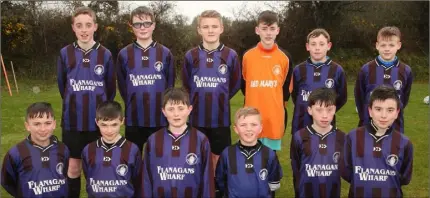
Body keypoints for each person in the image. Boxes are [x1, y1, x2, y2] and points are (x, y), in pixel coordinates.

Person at [57, 6, 116, 197]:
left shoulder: (105, 54)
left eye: (88, 25)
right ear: (73, 28)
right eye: (79, 25)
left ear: (95, 27)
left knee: (97, 167)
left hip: (98, 123)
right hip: (73, 121)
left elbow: (110, 89)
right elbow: (62, 85)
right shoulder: (65, 53)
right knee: (73, 167)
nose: (84, 29)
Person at [181, 10, 241, 177]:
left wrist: (220, 97)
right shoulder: (190, 56)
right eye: (205, 26)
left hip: (220, 118)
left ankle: (217, 190)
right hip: (196, 117)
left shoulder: (231, 55)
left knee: (219, 160)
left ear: (221, 28)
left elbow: (235, 84)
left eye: (214, 26)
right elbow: (187, 84)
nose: (210, 30)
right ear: (199, 29)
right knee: (195, 158)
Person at [116, 6, 175, 153]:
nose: (142, 28)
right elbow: (123, 87)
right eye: (137, 24)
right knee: (132, 161)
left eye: (147, 23)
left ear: (154, 25)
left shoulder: (165, 53)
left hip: (159, 118)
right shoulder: (124, 54)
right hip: (134, 118)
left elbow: (170, 86)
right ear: (131, 26)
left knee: (159, 160)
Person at [140, 87, 215, 197]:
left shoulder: (201, 140)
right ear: (163, 111)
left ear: (189, 109)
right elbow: (146, 178)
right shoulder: (153, 140)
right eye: (171, 109)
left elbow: (207, 179)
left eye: (180, 108)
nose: (176, 114)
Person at [341, 85, 413, 198]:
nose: (383, 115)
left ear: (397, 112)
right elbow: (346, 171)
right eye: (378, 109)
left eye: (390, 110)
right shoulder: (352, 137)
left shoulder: (404, 143)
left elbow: (405, 178)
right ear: (370, 111)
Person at [241, 10, 293, 151]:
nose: (268, 33)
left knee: (269, 160)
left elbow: (287, 88)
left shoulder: (285, 57)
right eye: (264, 29)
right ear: (257, 30)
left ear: (278, 30)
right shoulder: (247, 56)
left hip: (273, 117)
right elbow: (243, 84)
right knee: (249, 159)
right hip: (251, 117)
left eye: (272, 29)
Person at [1, 102, 69, 198]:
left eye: (47, 123)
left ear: (54, 124)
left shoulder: (63, 149)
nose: (43, 129)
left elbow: (64, 172)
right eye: (37, 124)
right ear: (27, 126)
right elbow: (7, 181)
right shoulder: (16, 153)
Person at [354, 26, 413, 134]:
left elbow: (404, 99)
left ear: (398, 45)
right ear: (377, 46)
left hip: (395, 126)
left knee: (393, 150)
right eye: (383, 45)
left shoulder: (406, 70)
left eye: (391, 45)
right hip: (368, 124)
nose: (387, 49)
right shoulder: (366, 69)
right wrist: (365, 117)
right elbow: (359, 97)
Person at [215, 107, 282, 198]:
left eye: (254, 124)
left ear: (260, 128)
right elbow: (220, 182)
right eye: (243, 125)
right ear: (236, 129)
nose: (248, 129)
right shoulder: (227, 153)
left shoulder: (269, 154)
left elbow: (273, 185)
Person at [290, 88, 345, 198]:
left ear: (335, 110)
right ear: (310, 110)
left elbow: (346, 169)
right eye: (319, 110)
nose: (324, 115)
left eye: (329, 110)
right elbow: (296, 166)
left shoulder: (342, 137)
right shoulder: (299, 136)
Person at [291, 28, 347, 135]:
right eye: (313, 44)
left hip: (325, 125)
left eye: (321, 44)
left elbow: (342, 98)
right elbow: (295, 95)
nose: (317, 48)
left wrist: (325, 109)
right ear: (308, 47)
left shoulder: (337, 70)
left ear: (328, 46)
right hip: (301, 123)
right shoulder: (299, 69)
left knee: (325, 151)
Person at [81, 101, 142, 198]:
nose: (109, 130)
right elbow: (88, 175)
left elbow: (138, 181)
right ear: (97, 122)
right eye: (104, 125)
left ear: (122, 121)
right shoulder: (88, 150)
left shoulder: (132, 150)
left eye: (114, 125)